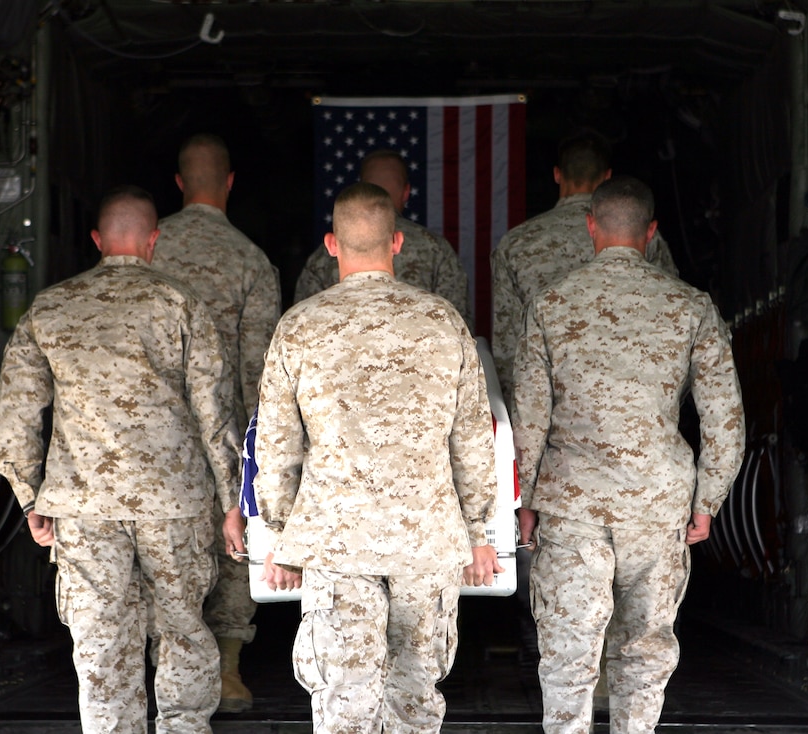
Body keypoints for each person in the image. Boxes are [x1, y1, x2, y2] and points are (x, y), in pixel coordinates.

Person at [253, 182, 502, 732]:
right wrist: (481, 533)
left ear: (331, 245)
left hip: (335, 542)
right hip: (428, 539)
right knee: (415, 697)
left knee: (344, 700)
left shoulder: (299, 326)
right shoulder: (443, 322)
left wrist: (277, 539)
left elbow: (275, 444)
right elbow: (472, 439)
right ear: (396, 242)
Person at [0, 186, 242, 733]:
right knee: (182, 631)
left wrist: (30, 496)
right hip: (174, 505)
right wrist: (232, 504)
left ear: (96, 241)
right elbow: (217, 415)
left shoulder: (51, 307)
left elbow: (15, 414)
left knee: (103, 641)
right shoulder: (180, 305)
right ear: (154, 241)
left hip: (83, 508)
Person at [511, 176, 745, 734]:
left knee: (570, 655)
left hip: (571, 509)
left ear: (591, 226)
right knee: (643, 654)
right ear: (653, 232)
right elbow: (725, 420)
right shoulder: (690, 307)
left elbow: (529, 419)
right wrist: (707, 500)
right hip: (659, 509)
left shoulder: (551, 305)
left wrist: (523, 503)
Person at [150, 132, 281, 713]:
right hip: (224, 432)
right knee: (233, 548)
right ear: (230, 183)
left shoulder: (145, 249)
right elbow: (260, 369)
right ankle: (227, 673)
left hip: (150, 437)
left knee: (161, 553)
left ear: (178, 183)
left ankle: (166, 675)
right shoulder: (250, 260)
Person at [491, 129, 678, 406]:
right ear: (607, 178)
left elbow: (507, 346)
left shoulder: (515, 243)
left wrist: (520, 415)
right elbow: (670, 315)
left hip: (549, 404)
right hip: (632, 402)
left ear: (557, 175)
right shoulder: (643, 236)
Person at [294, 149, 472, 326]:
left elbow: (303, 320)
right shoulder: (437, 249)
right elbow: (458, 324)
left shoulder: (325, 254)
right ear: (406, 192)